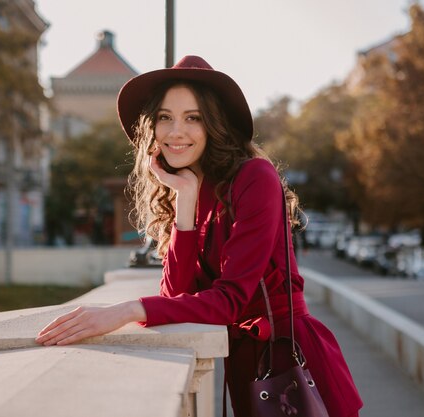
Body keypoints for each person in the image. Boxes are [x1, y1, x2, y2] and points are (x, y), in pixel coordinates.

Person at [36, 55, 363, 417]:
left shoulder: (255, 177)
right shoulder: (192, 189)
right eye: (165, 118)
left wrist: (129, 310)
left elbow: (229, 301)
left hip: (291, 365)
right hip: (247, 367)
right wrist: (185, 199)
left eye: (193, 118)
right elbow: (176, 295)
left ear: (214, 124)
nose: (177, 131)